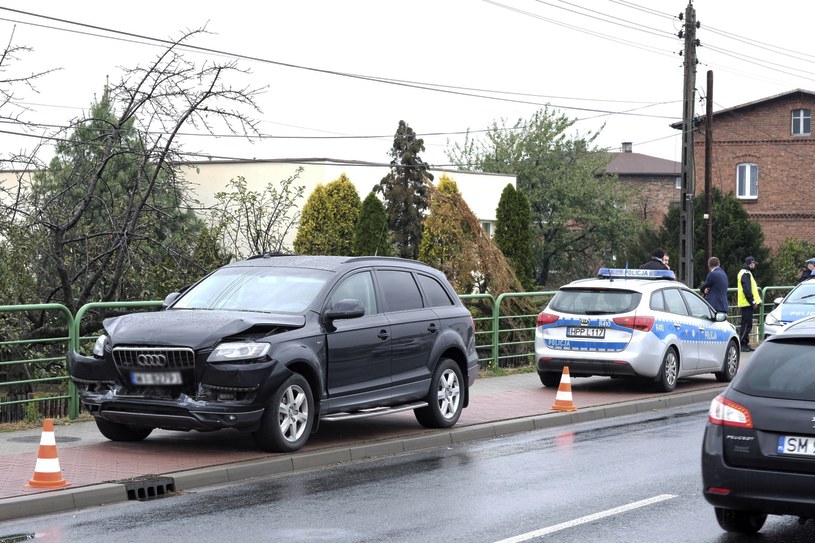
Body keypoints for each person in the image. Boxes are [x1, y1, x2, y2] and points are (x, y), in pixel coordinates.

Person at [737, 256, 761, 352]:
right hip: (747, 303)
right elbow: (747, 289)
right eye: (754, 263)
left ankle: (745, 343)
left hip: (746, 303)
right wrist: (752, 301)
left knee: (747, 324)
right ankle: (742, 344)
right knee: (746, 325)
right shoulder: (745, 273)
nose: (754, 265)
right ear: (750, 263)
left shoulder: (745, 273)